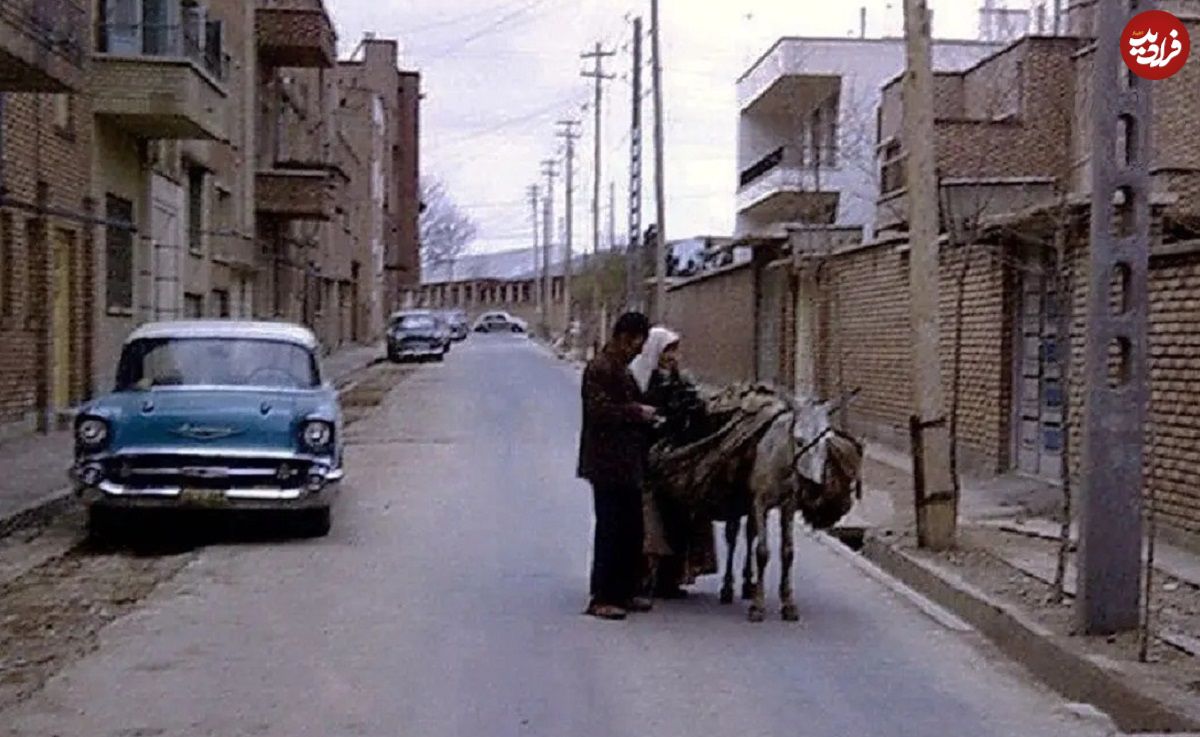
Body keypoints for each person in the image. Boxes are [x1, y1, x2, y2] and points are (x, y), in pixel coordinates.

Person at [577, 312, 658, 621]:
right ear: (626, 337)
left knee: (631, 529)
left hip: (627, 463)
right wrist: (637, 412)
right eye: (639, 342)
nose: (640, 349)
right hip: (606, 463)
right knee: (610, 530)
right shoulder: (599, 369)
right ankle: (602, 597)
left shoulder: (621, 370)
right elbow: (600, 412)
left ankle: (625, 591)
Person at [630, 327, 719, 600]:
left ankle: (673, 577)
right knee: (652, 521)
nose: (672, 356)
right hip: (650, 459)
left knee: (682, 518)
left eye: (674, 350)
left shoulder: (682, 381)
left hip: (679, 460)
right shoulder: (642, 380)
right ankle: (647, 578)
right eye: (667, 350)